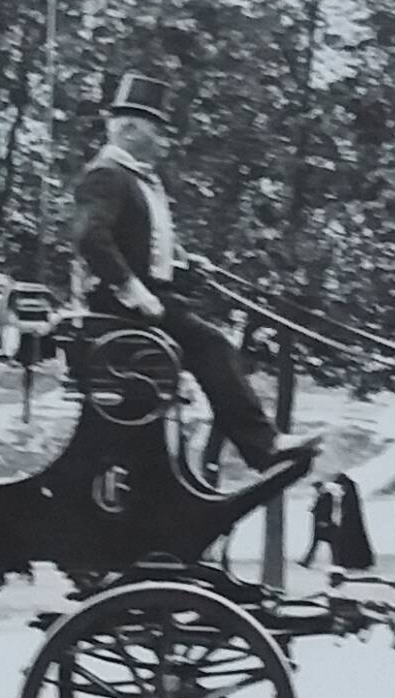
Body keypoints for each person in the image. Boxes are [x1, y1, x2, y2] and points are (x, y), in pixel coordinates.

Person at [69, 74, 311, 476]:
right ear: (128, 129)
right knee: (212, 345)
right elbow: (90, 237)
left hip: (152, 302)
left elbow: (143, 241)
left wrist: (184, 261)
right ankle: (263, 445)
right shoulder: (108, 174)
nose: (165, 141)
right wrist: (133, 291)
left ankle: (258, 446)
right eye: (157, 129)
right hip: (123, 310)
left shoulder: (140, 179)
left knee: (212, 344)